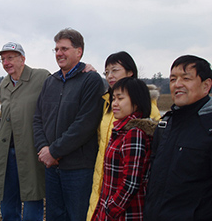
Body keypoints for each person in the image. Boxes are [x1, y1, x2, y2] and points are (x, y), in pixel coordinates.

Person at [33, 28, 105, 221]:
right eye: (56, 49)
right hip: (51, 168)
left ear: (78, 51)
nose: (58, 53)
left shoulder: (91, 80)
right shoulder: (51, 82)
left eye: (64, 48)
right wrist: (43, 148)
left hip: (78, 169)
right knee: (55, 215)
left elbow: (85, 124)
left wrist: (54, 151)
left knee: (78, 216)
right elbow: (38, 118)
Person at [86, 51, 160, 220]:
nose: (110, 76)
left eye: (115, 70)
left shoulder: (137, 128)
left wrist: (110, 208)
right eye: (106, 72)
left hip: (122, 207)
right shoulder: (108, 107)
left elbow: (133, 181)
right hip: (105, 187)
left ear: (130, 72)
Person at [144, 55, 212, 221]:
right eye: (173, 79)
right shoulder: (165, 124)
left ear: (206, 85)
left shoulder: (208, 126)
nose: (177, 84)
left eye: (186, 78)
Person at [0, 42, 50, 221]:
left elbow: (63, 88)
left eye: (10, 58)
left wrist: (86, 68)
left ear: (23, 59)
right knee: (8, 205)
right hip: (6, 154)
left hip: (31, 151)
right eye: (3, 59)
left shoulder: (41, 77)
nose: (6, 62)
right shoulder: (4, 85)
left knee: (32, 201)